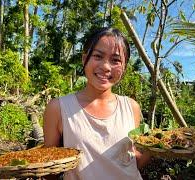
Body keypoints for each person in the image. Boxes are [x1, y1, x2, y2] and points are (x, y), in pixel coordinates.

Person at [43, 27, 150, 180]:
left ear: (124, 67)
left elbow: (132, 162)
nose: (106, 67)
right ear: (84, 59)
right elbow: (49, 172)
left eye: (116, 60)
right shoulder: (58, 108)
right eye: (98, 56)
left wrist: (157, 148)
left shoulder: (131, 107)